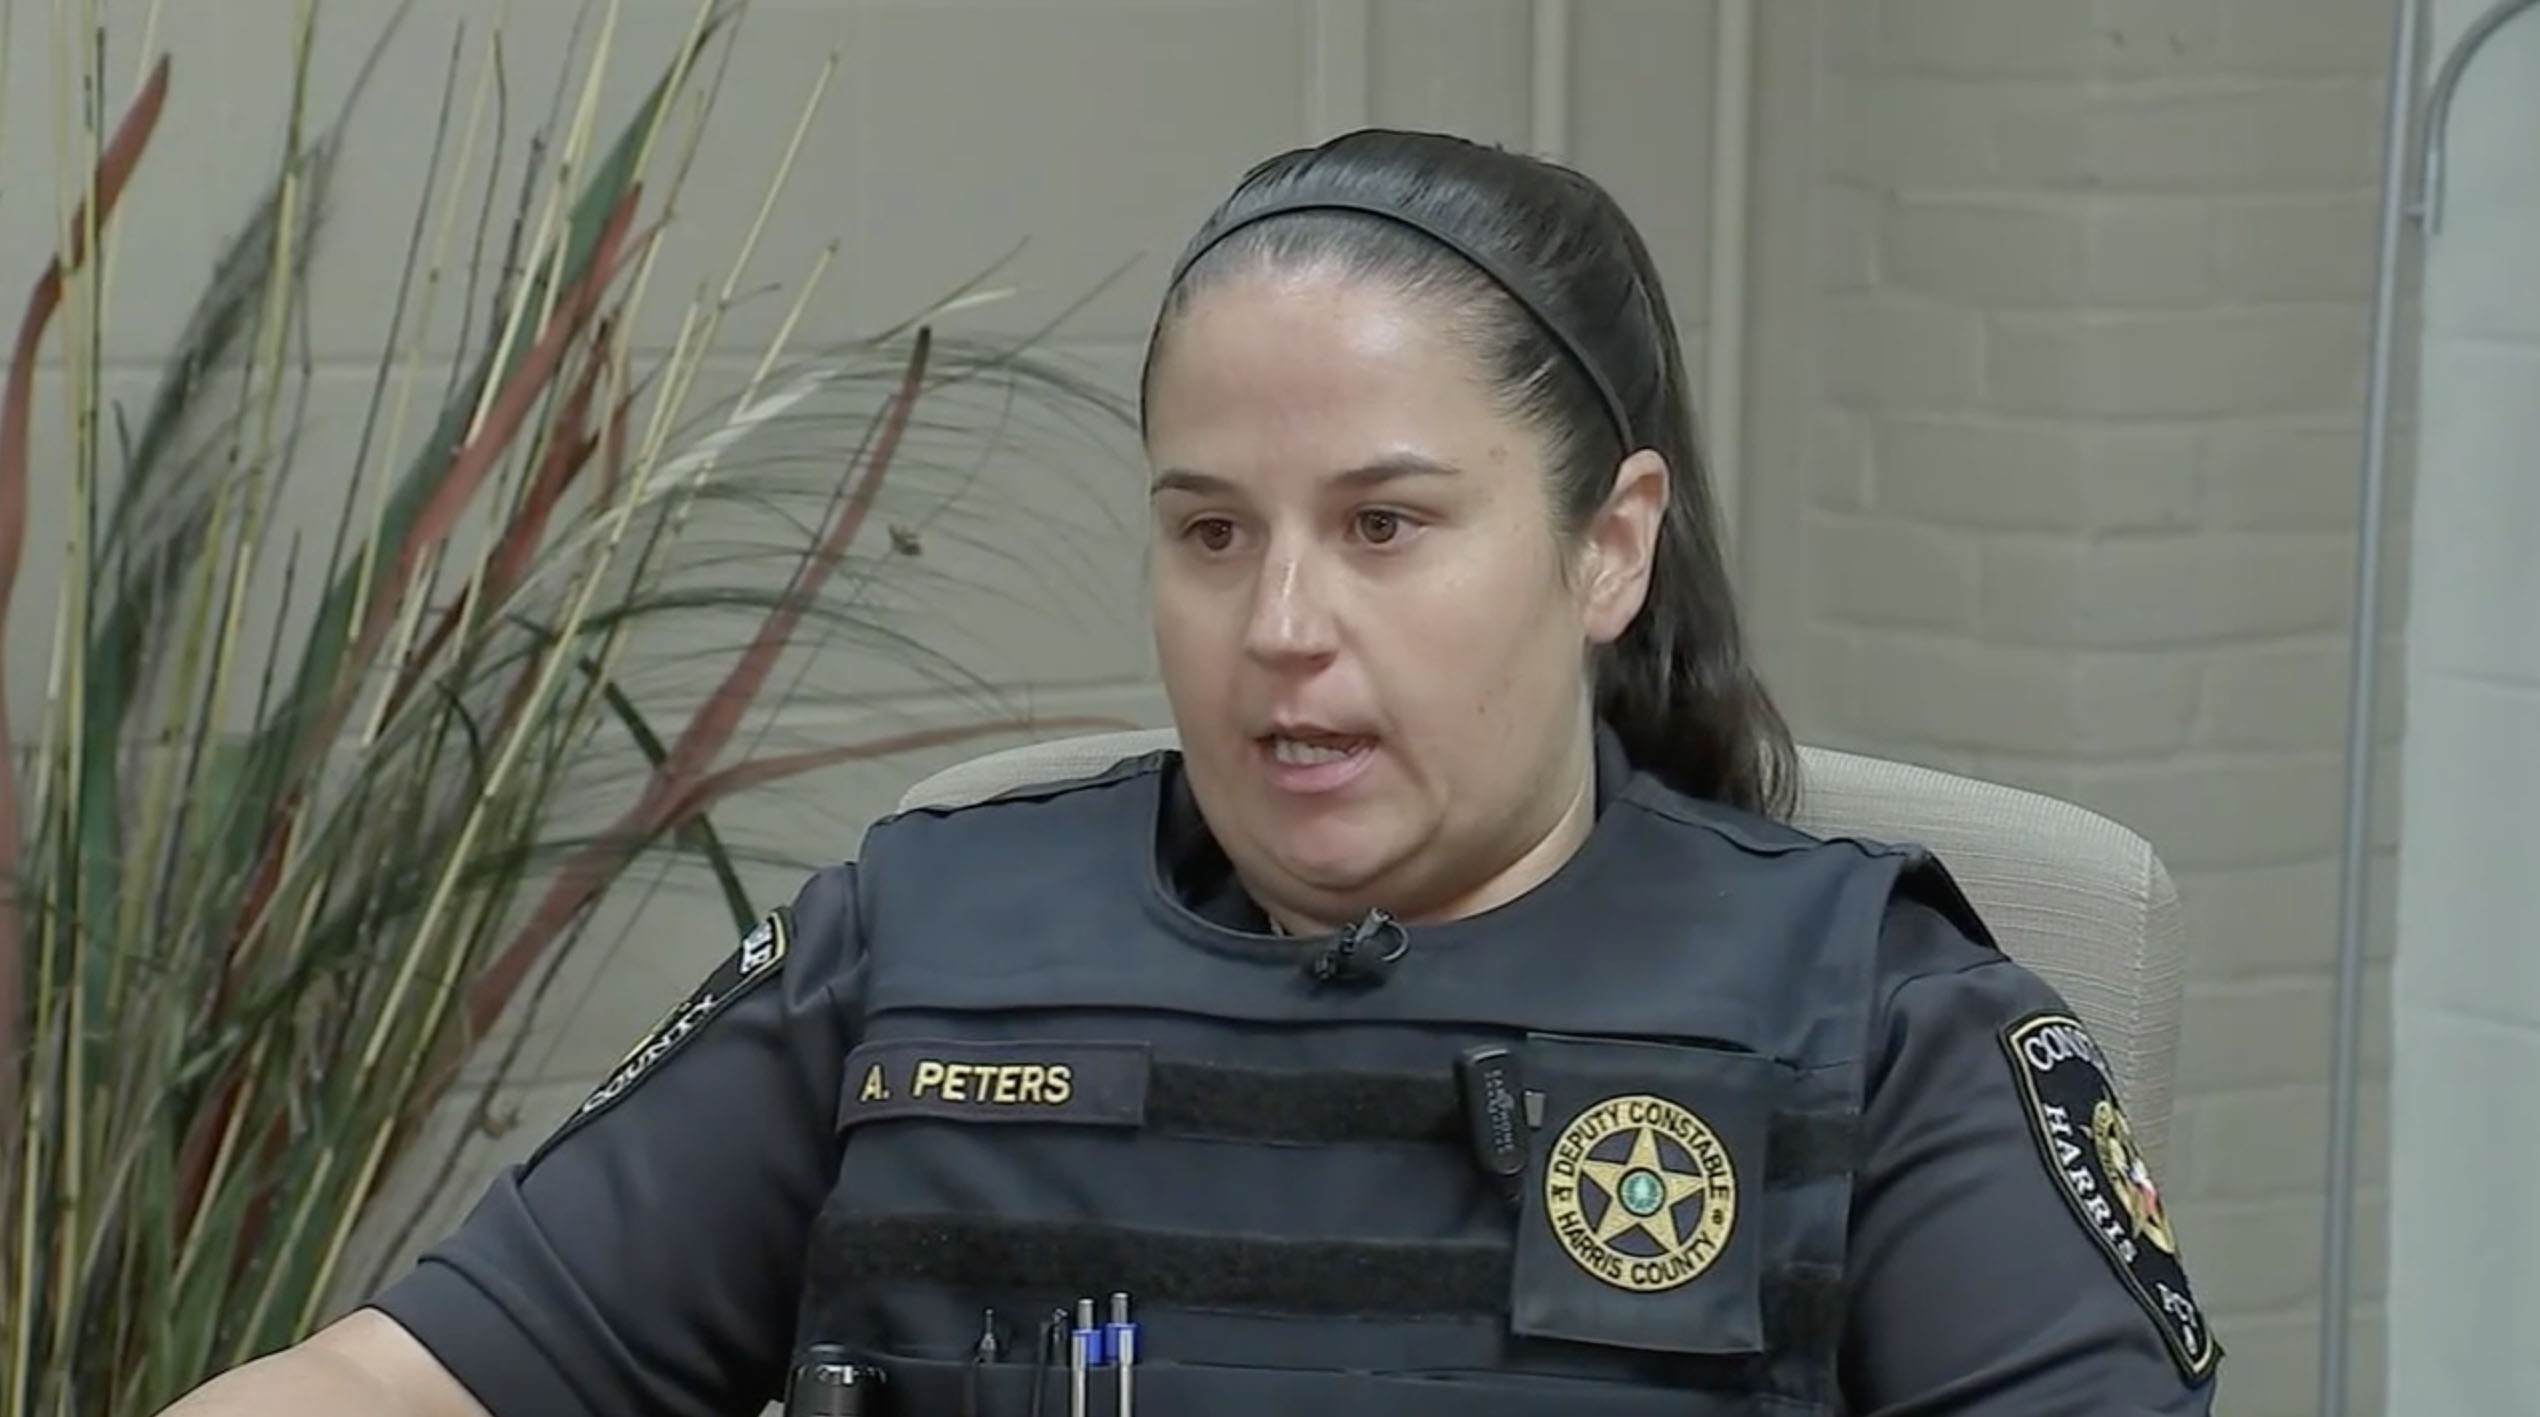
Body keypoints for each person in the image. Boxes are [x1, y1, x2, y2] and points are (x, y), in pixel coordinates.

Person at [159, 128, 2221, 1417]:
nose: (1280, 624)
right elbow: (405, 1376)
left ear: (1609, 547)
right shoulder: (922, 948)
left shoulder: (1880, 1022)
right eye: (1211, 530)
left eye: (1386, 526)